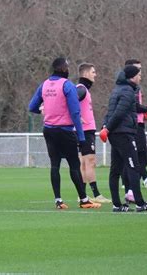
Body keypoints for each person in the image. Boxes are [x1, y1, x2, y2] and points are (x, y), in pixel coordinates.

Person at [29, 57, 101, 210]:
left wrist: (44, 110)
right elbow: (75, 113)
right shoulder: (67, 85)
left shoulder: (44, 85)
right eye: (67, 67)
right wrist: (81, 137)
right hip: (65, 131)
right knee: (74, 165)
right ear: (62, 69)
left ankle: (58, 201)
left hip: (49, 130)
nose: (69, 69)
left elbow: (32, 106)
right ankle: (83, 199)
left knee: (54, 165)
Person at [100, 65, 147, 212]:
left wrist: (106, 126)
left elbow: (113, 112)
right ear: (132, 76)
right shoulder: (127, 91)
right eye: (139, 74)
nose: (140, 77)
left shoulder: (117, 90)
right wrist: (107, 128)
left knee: (115, 170)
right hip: (123, 134)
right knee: (133, 167)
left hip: (116, 134)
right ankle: (140, 203)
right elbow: (119, 113)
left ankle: (117, 205)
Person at [122, 59, 147, 203]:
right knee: (135, 157)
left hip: (138, 123)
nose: (140, 73)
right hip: (133, 126)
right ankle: (131, 189)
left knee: (138, 157)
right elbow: (134, 106)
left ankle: (131, 187)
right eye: (138, 69)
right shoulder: (130, 88)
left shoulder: (135, 87)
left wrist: (144, 115)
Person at [76, 63, 111, 203]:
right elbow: (70, 101)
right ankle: (96, 195)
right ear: (85, 74)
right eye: (93, 72)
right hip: (85, 131)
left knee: (85, 163)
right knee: (89, 162)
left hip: (84, 131)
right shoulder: (81, 89)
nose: (95, 74)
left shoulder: (83, 89)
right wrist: (76, 116)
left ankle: (82, 195)